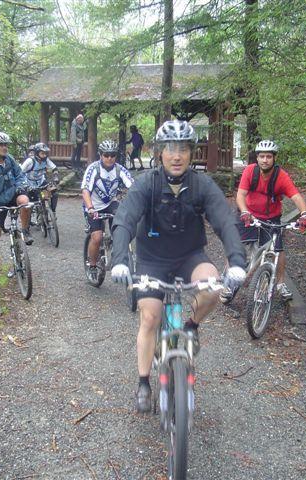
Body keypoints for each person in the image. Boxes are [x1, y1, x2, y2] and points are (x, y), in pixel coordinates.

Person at [111, 120, 247, 413]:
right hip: (152, 259)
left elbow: (225, 221)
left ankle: (191, 326)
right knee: (150, 317)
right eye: (170, 149)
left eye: (183, 149)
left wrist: (237, 262)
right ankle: (144, 381)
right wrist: (121, 260)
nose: (177, 155)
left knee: (212, 289)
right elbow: (124, 220)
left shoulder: (202, 185)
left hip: (189, 256)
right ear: (159, 153)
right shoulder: (146, 183)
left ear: (191, 153)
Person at [236, 140, 306, 300]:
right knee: (237, 245)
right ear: (257, 158)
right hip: (249, 214)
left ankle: (280, 284)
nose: (265, 160)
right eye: (262, 156)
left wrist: (304, 213)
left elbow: (296, 196)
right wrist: (244, 211)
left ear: (274, 158)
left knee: (278, 249)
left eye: (268, 156)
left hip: (271, 218)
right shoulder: (250, 171)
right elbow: (241, 195)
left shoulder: (281, 176)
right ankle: (229, 279)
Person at [81, 140, 134, 283]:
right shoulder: (93, 169)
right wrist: (90, 208)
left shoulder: (120, 170)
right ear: (100, 155)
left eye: (112, 155)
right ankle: (92, 266)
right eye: (106, 155)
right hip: (94, 206)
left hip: (111, 203)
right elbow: (85, 190)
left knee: (121, 228)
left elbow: (133, 188)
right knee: (97, 237)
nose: (109, 158)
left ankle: (115, 250)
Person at [0, 131, 32, 277]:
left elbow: (20, 175)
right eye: (1, 145)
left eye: (6, 145)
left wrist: (22, 185)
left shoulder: (9, 159)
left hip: (13, 194)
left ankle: (24, 230)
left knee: (25, 202)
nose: (5, 147)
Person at [21, 142, 60, 216]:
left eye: (45, 153)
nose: (44, 155)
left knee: (54, 193)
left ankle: (52, 212)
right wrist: (23, 184)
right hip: (29, 183)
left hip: (41, 182)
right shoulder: (30, 161)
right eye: (42, 153)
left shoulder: (46, 160)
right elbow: (19, 172)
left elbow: (54, 168)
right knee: (31, 202)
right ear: (37, 153)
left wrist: (55, 177)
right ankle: (27, 222)